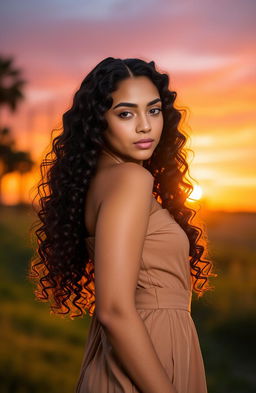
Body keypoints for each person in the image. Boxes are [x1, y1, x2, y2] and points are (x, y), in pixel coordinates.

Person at [28, 57, 216, 393]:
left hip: (133, 354)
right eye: (126, 113)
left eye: (154, 110)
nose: (145, 126)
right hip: (146, 361)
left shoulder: (102, 180)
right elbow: (114, 309)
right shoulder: (130, 179)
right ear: (98, 120)